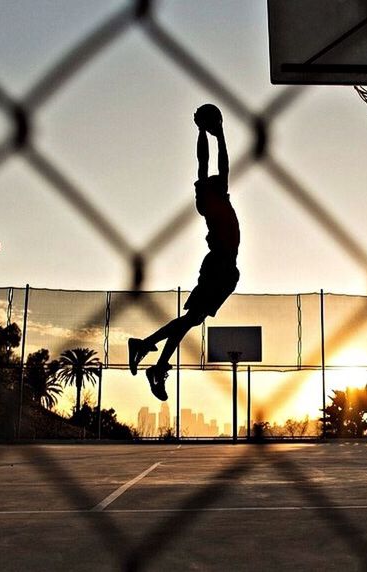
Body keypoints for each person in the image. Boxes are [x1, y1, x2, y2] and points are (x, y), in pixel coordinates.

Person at [128, 104, 240, 400]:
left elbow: (213, 167)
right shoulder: (211, 201)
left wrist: (211, 133)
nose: (222, 180)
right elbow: (211, 164)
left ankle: (154, 359)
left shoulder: (214, 199)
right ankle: (148, 351)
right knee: (191, 319)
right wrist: (215, 135)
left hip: (227, 269)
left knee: (191, 320)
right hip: (219, 266)